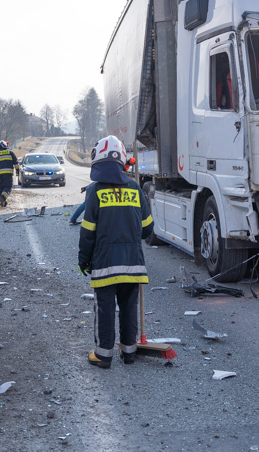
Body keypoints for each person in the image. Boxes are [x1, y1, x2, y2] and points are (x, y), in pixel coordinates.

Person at [78, 135, 154, 369]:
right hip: (133, 264)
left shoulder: (95, 192)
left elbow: (88, 232)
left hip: (105, 264)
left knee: (105, 308)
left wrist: (84, 259)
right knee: (129, 307)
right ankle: (129, 352)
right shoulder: (135, 189)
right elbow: (147, 229)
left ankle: (103, 355)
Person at [0, 140, 18, 207]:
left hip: (0, 176)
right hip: (8, 174)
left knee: (1, 188)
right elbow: (16, 164)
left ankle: (4, 202)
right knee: (7, 187)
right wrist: (18, 171)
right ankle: (3, 198)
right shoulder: (10, 153)